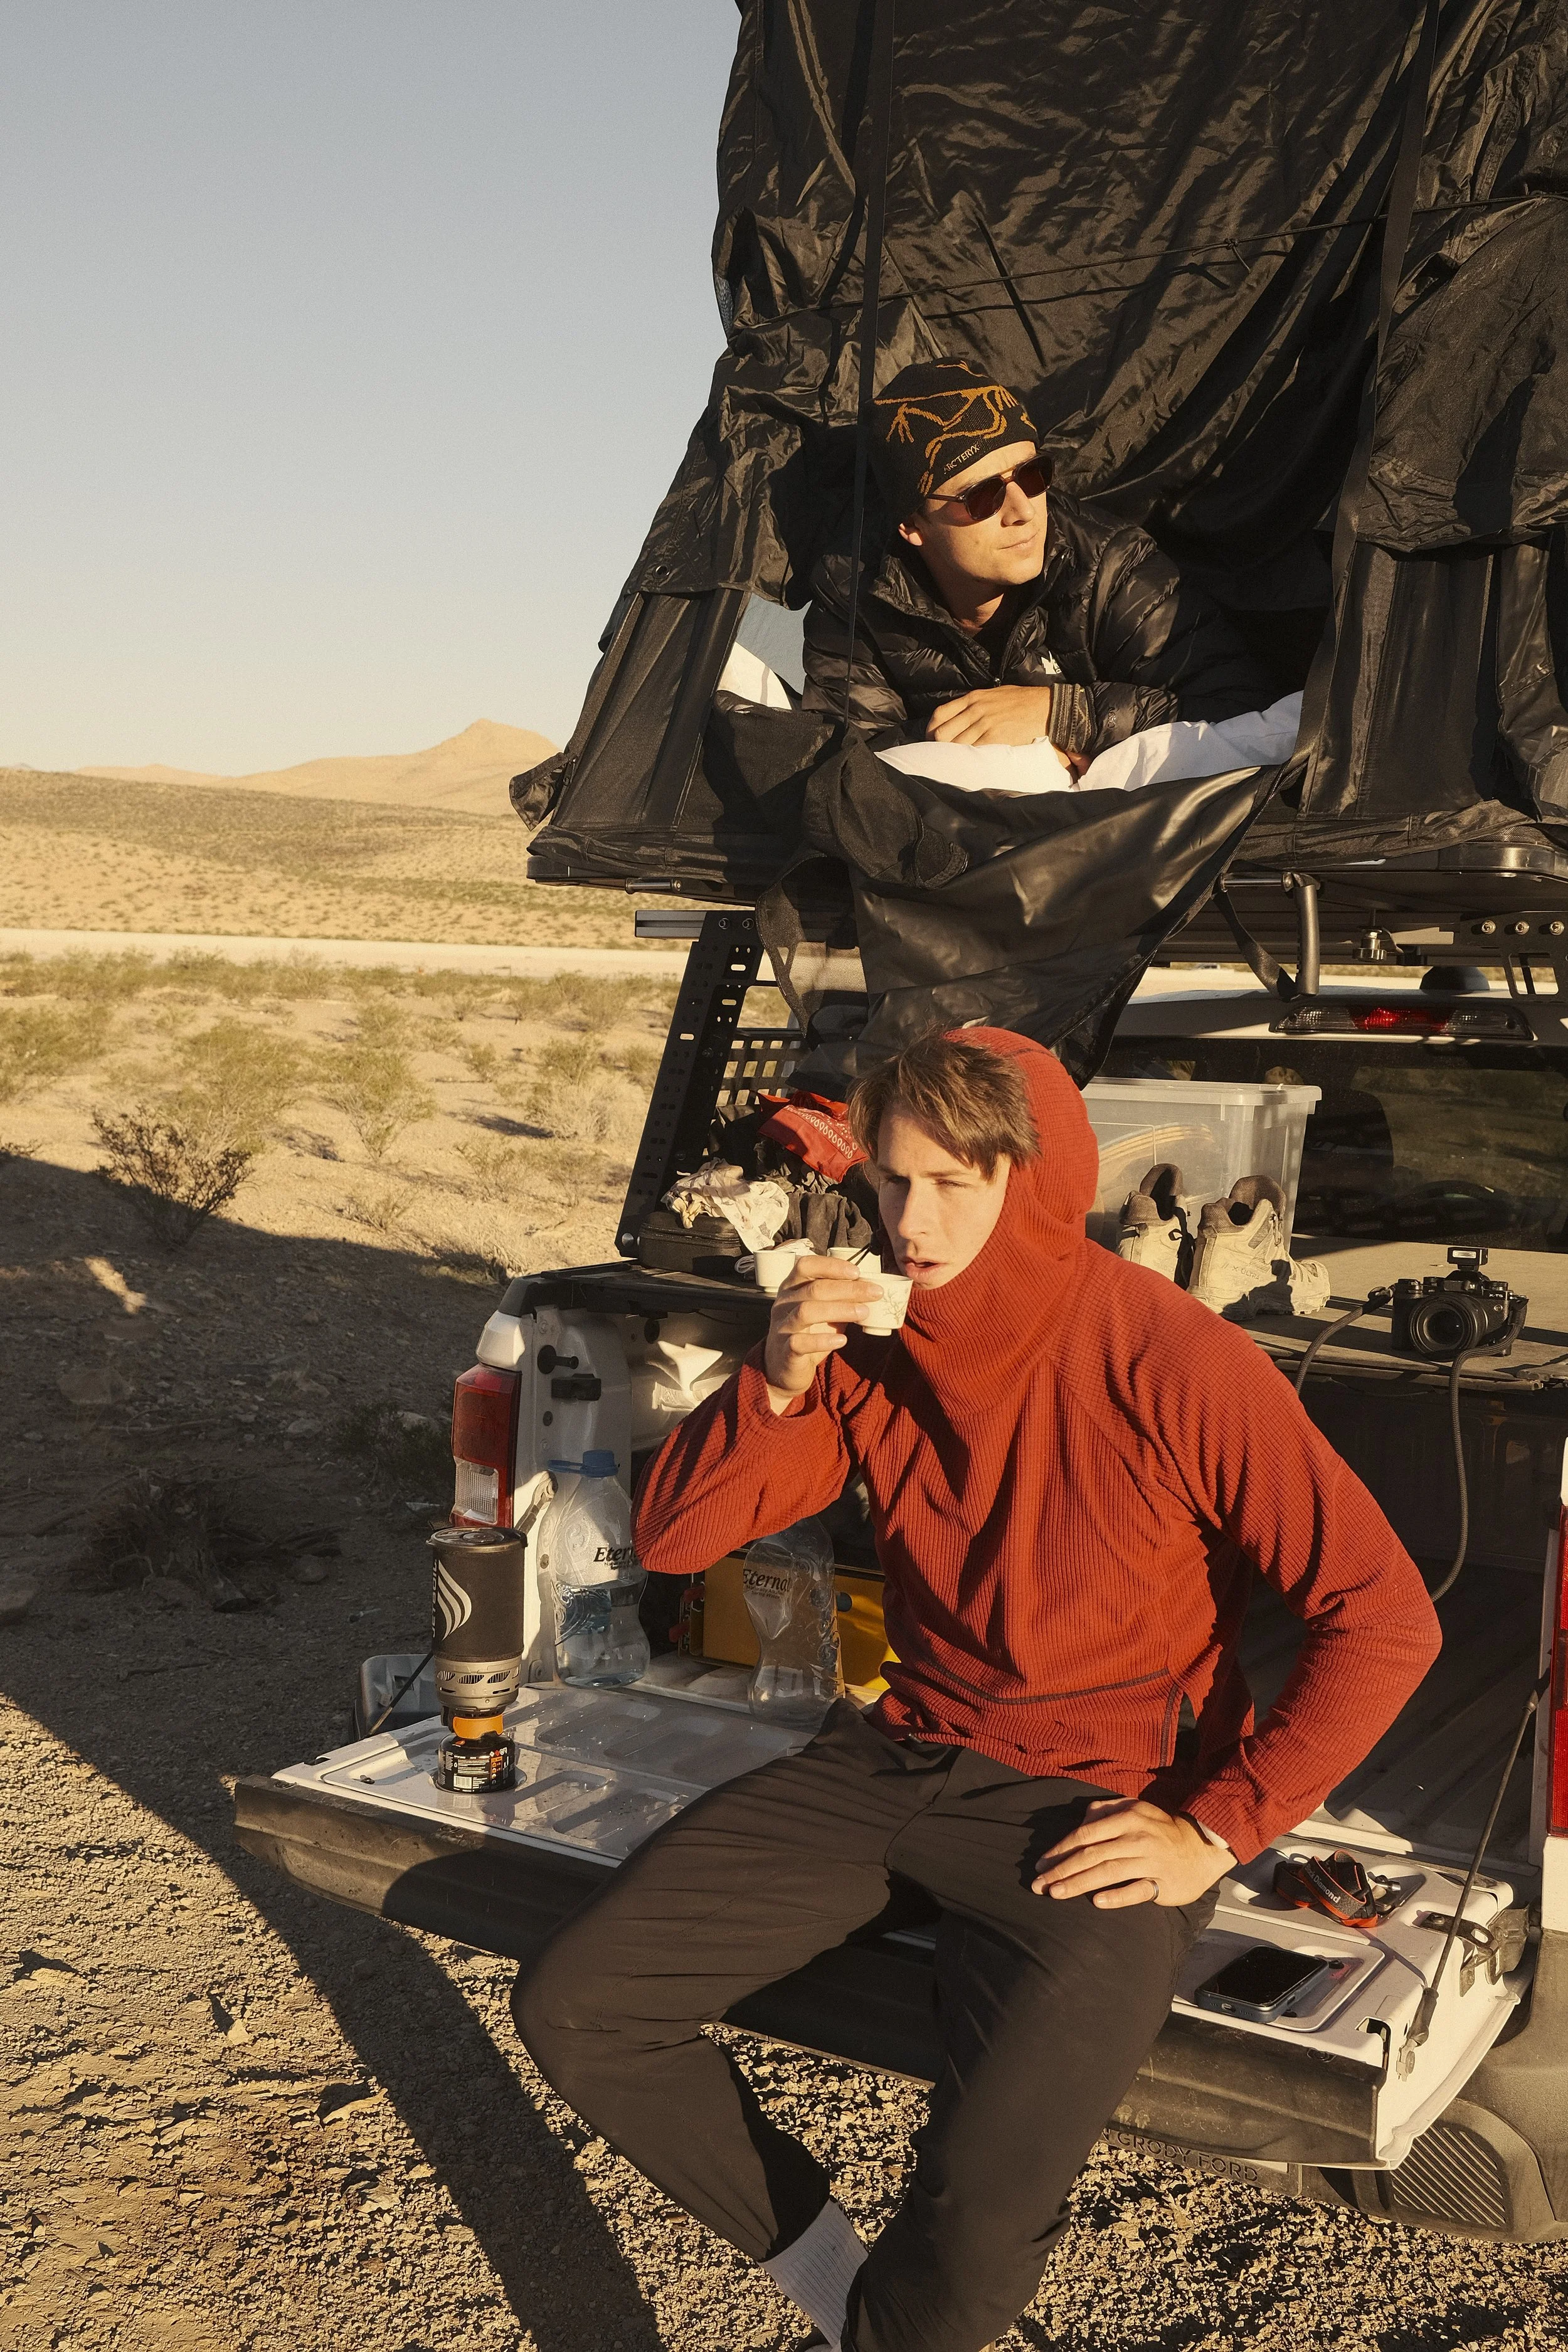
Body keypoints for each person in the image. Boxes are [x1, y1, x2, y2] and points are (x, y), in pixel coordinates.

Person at [514, 1027, 1441, 2352]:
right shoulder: (868, 1338)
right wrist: (774, 1384)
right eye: (892, 1181)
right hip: (897, 1752)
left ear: (1038, 1181)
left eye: (957, 1184)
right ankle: (838, 2295)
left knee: (968, 2223)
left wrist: (1213, 1829)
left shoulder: (1170, 1356)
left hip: (1098, 1798)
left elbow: (1382, 1619)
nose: (914, 1218)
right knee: (578, 2007)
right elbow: (672, 1542)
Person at [800, 358, 1272, 765]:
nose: (1023, 510)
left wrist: (1064, 715)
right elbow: (841, 763)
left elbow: (1244, 713)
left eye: (1032, 475)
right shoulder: (855, 594)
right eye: (981, 496)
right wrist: (984, 745)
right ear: (913, 525)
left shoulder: (1112, 568)